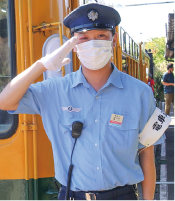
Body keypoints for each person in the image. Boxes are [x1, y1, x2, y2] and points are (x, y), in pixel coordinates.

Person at [0, 3, 165, 201]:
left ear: (113, 41)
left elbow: (146, 153)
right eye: (84, 38)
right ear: (75, 47)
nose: (93, 44)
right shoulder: (54, 91)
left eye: (101, 36)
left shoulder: (140, 93)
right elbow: (5, 102)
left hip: (123, 196)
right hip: (72, 196)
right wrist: (41, 65)